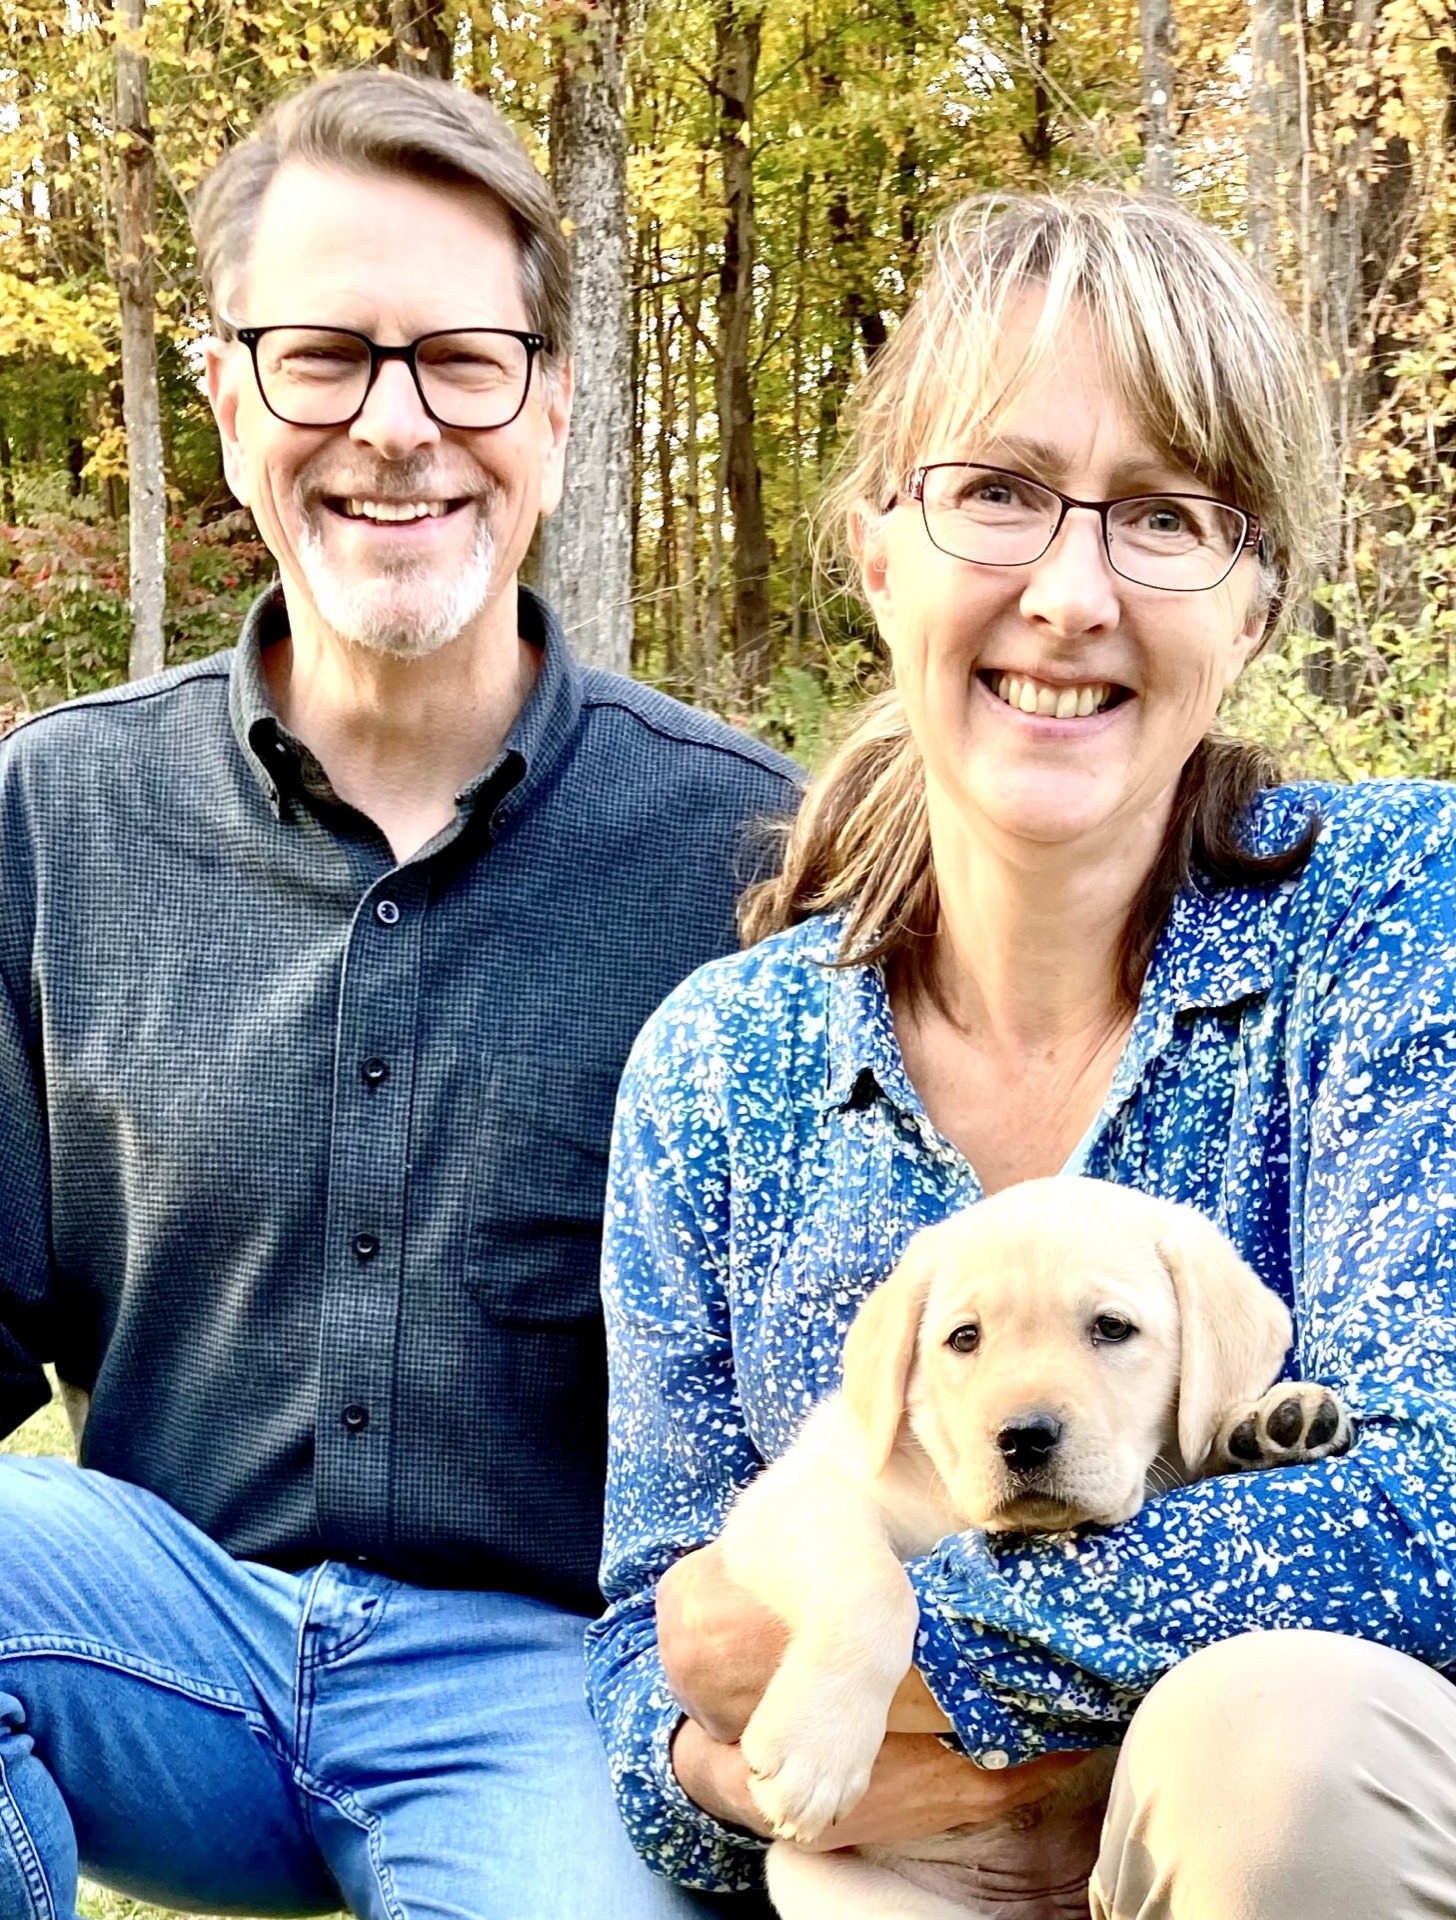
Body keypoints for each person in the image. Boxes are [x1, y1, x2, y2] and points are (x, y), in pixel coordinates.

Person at [588, 188, 1456, 1918]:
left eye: (1161, 517)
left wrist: (901, 1665)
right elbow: (662, 1657)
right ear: (874, 554)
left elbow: (1440, 1500)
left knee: (1272, 1741)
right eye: (996, 493)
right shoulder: (720, 1072)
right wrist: (757, 1762)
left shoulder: (1402, 916)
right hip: (900, 1882)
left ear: (1258, 601)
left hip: (1319, 1843)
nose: (1067, 595)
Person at [0, 69, 797, 1920]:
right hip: (161, 1632)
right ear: (220, 393)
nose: (394, 424)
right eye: (322, 357)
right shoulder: (56, 812)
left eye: (459, 359)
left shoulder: (750, 849)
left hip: (546, 1693)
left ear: (554, 404)